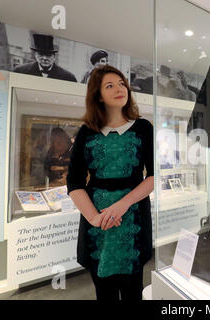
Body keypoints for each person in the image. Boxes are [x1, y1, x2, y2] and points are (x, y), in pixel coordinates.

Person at [66, 65, 154, 301]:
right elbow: (74, 182)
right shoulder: (86, 132)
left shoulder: (144, 128)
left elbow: (154, 176)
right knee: (103, 290)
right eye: (110, 86)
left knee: (134, 289)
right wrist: (94, 218)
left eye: (122, 83)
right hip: (98, 223)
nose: (119, 89)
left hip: (133, 215)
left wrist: (123, 204)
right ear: (98, 95)